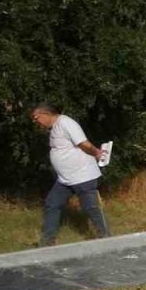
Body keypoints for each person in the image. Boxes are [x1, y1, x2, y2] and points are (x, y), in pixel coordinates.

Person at [30, 103, 111, 246]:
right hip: (65, 179)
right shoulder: (54, 128)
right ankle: (47, 242)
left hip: (82, 175)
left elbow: (83, 143)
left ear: (45, 113)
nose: (35, 121)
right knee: (52, 204)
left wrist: (97, 153)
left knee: (91, 207)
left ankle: (106, 237)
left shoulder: (66, 123)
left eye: (36, 118)